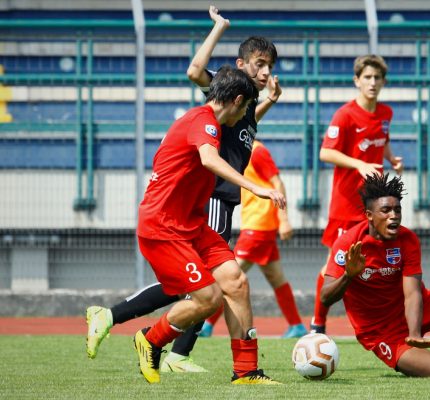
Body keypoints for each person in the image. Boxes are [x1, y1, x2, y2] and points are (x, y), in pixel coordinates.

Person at [85, 5, 282, 374]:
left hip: (195, 215)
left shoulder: (243, 104)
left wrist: (267, 102)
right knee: (203, 292)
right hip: (186, 213)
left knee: (233, 282)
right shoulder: (207, 116)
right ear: (240, 72)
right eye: (260, 63)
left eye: (271, 64)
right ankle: (163, 345)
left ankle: (246, 372)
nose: (267, 70)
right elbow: (209, 148)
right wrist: (259, 187)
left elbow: (237, 134)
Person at [320, 173, 430, 377]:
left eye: (397, 210)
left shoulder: (408, 240)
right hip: (381, 331)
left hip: (416, 307)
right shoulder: (348, 244)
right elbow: (325, 297)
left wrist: (414, 334)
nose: (393, 215)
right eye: (385, 210)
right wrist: (349, 276)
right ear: (369, 215)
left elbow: (412, 294)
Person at [310, 54, 404, 334]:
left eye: (377, 78)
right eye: (367, 77)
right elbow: (325, 152)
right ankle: (317, 324)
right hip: (345, 205)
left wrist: (391, 158)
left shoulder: (386, 113)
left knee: (382, 260)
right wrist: (359, 163)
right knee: (332, 264)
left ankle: (388, 322)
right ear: (356, 81)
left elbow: (382, 139)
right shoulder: (345, 114)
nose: (372, 82)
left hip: (373, 206)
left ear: (384, 82)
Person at [198, 140, 308, 338]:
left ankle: (206, 325)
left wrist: (284, 219)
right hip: (258, 225)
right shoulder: (238, 151)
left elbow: (278, 183)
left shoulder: (257, 152)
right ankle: (296, 325)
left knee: (229, 276)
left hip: (258, 227)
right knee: (276, 278)